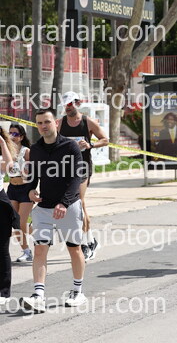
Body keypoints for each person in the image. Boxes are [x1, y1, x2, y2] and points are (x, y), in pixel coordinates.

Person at [20, 108, 87, 313]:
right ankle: (38, 296)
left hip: (69, 206)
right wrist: (31, 190)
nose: (43, 126)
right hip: (44, 208)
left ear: (56, 123)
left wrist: (64, 203)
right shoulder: (36, 149)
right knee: (40, 249)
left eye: (47, 122)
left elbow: (77, 177)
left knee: (74, 248)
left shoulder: (70, 146)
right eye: (39, 123)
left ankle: (78, 291)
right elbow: (34, 176)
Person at [58, 92, 108, 261]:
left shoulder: (88, 122)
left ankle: (86, 244)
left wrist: (90, 145)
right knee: (76, 205)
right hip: (65, 169)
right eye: (65, 105)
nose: (67, 108)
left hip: (82, 168)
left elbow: (105, 139)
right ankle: (91, 240)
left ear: (77, 103)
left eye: (70, 104)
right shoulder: (60, 123)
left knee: (80, 203)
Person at [7, 124, 34, 262]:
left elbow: (33, 170)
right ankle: (26, 251)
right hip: (12, 188)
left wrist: (27, 171)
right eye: (10, 133)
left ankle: (41, 231)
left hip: (25, 188)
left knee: (22, 222)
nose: (12, 136)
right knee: (15, 222)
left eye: (15, 134)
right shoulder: (6, 150)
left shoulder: (26, 151)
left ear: (21, 137)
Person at [0, 125, 16, 306]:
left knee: (2, 249)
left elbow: (11, 169)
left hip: (1, 205)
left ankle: (4, 292)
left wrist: (3, 144)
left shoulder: (1, 159)